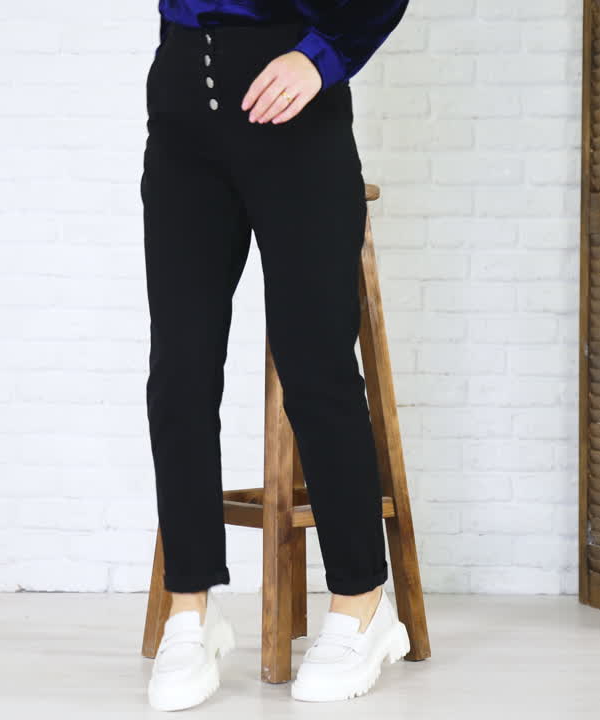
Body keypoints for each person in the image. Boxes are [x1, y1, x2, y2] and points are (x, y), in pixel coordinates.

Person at [140, 0, 411, 711]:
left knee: (315, 362)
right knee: (180, 368)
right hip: (182, 97)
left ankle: (361, 601)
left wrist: (321, 56)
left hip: (293, 92)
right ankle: (190, 610)